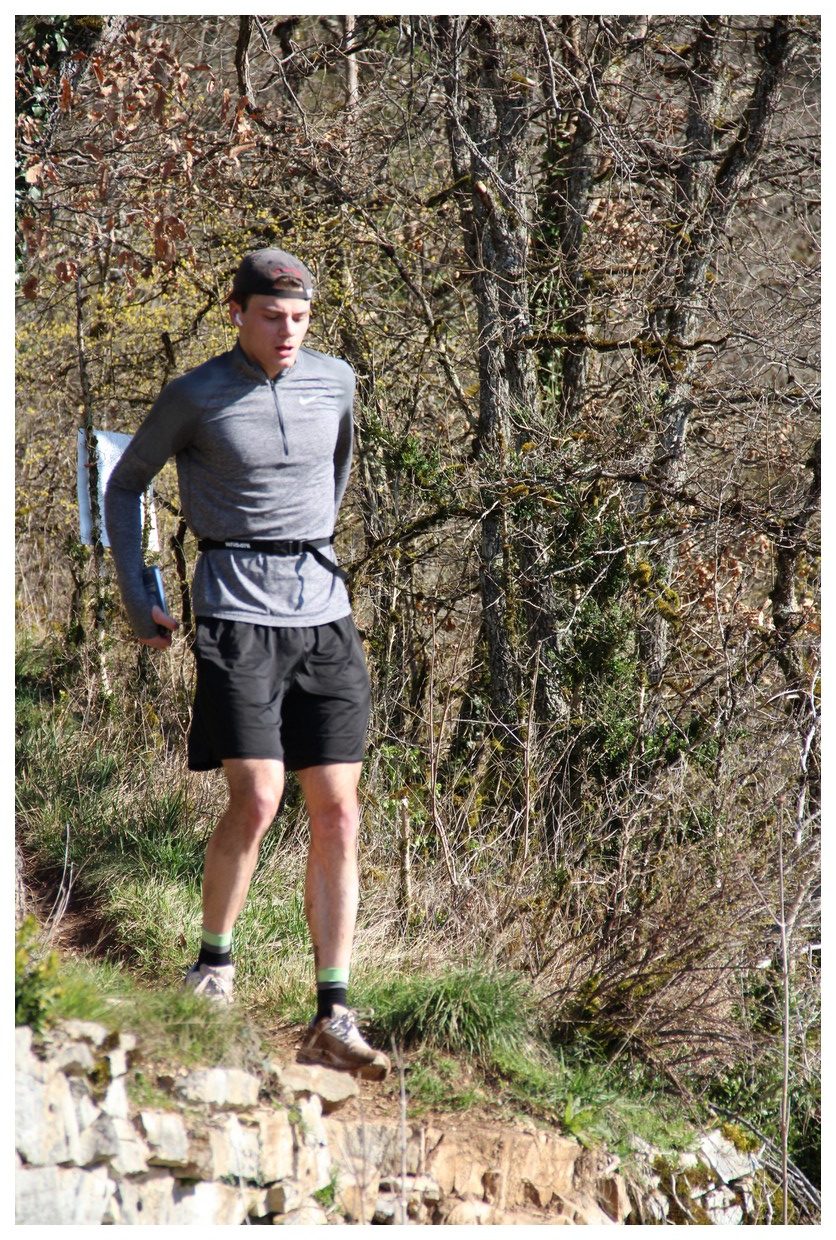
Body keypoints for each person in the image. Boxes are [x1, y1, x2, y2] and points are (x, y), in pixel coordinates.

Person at [104, 247, 389, 1080]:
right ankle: (212, 971)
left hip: (325, 612)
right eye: (271, 317)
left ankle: (333, 1011)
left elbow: (334, 474)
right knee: (259, 797)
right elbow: (125, 485)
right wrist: (140, 595)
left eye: (299, 318)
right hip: (235, 609)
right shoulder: (195, 394)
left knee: (339, 811)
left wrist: (309, 546)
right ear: (237, 312)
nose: (287, 331)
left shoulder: (335, 381)